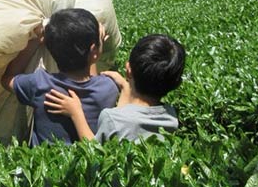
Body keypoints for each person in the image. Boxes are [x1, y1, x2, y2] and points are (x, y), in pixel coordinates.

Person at [1, 8, 119, 146]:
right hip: (86, 160)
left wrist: (34, 42)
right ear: (94, 52)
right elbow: (94, 79)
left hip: (47, 163)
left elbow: (7, 79)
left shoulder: (39, 84)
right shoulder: (108, 88)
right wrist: (96, 46)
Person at [44, 34, 185, 143]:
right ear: (176, 84)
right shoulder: (170, 116)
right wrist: (125, 86)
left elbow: (93, 150)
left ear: (128, 69)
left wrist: (76, 113)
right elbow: (127, 117)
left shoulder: (112, 119)